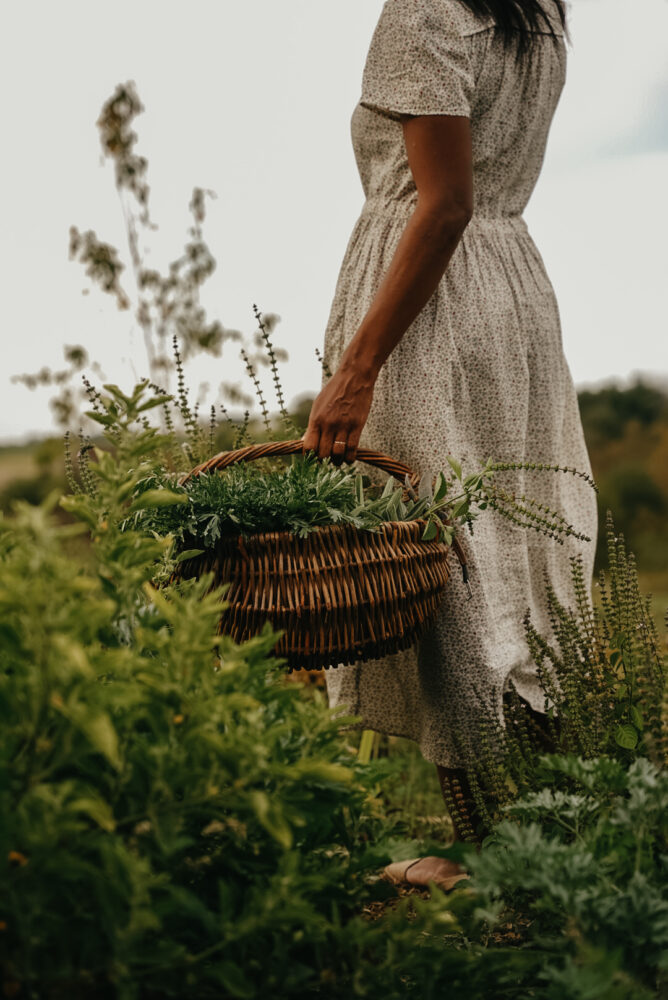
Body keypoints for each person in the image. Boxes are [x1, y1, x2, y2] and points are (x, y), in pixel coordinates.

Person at [302, 0, 597, 890]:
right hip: (513, 293)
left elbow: (444, 204)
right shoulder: (535, 10)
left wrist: (357, 368)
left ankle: (484, 857)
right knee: (521, 553)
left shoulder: (424, 11)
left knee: (444, 569)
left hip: (428, 310)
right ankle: (555, 827)